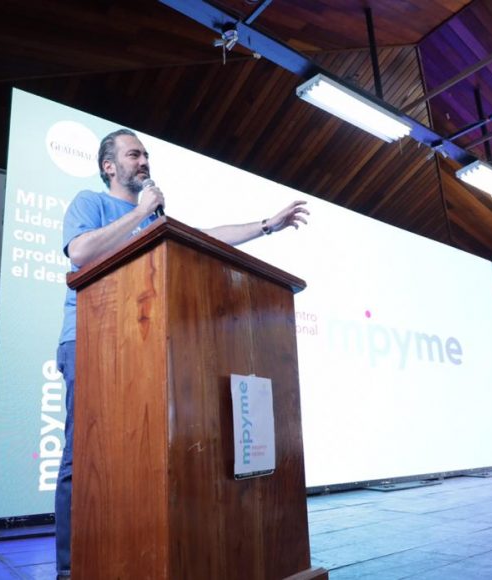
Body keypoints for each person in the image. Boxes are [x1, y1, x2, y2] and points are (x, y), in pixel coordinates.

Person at [53, 128, 308, 578]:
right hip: (90, 340)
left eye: (146, 155)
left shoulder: (157, 221)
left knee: (138, 453)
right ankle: (72, 568)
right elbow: (80, 252)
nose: (144, 161)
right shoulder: (91, 202)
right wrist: (142, 213)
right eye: (134, 155)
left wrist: (266, 225)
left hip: (143, 343)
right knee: (85, 455)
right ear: (109, 166)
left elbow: (206, 237)